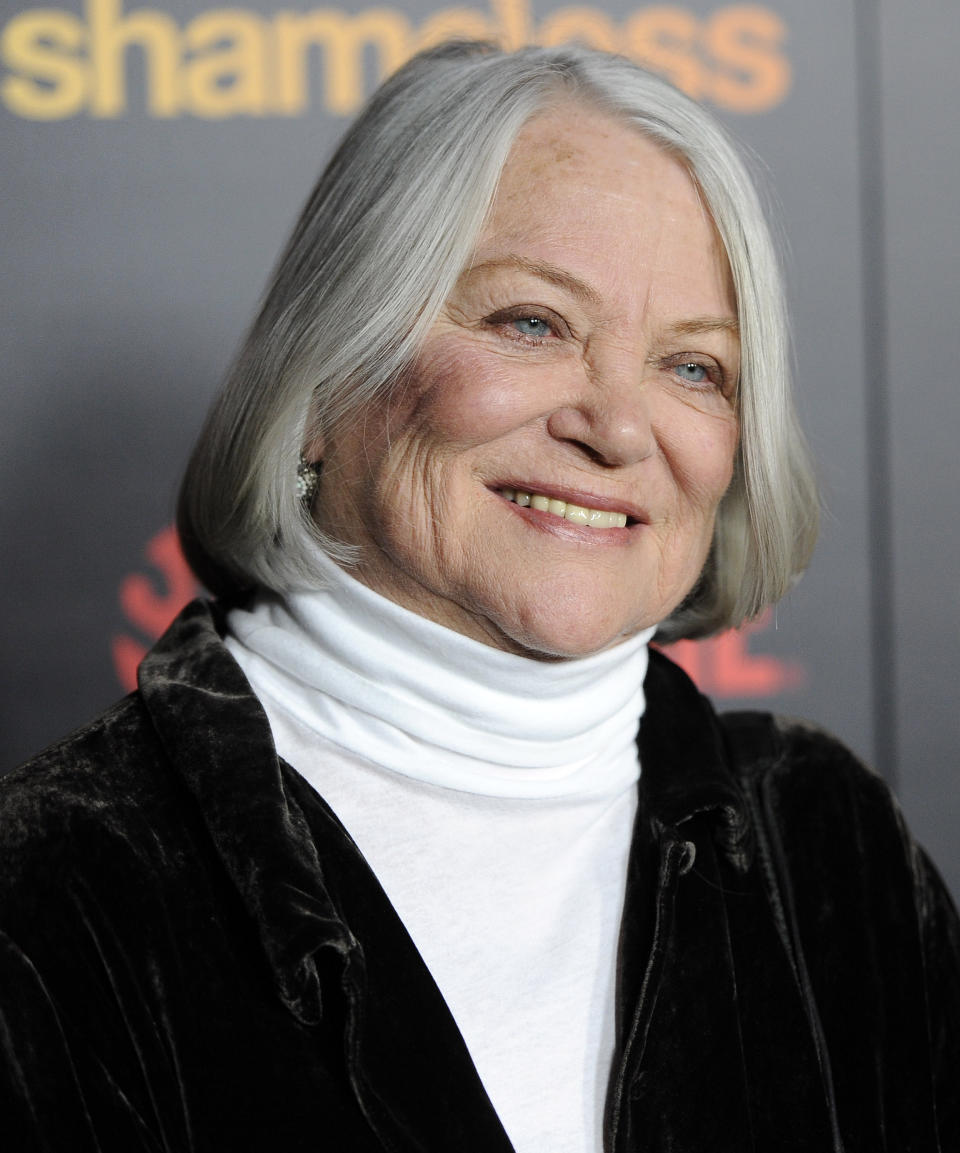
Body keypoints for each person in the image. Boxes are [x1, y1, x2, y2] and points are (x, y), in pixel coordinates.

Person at [1, 40, 957, 1153]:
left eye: (694, 367)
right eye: (531, 323)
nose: (618, 426)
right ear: (323, 382)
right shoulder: (58, 889)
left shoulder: (826, 845)